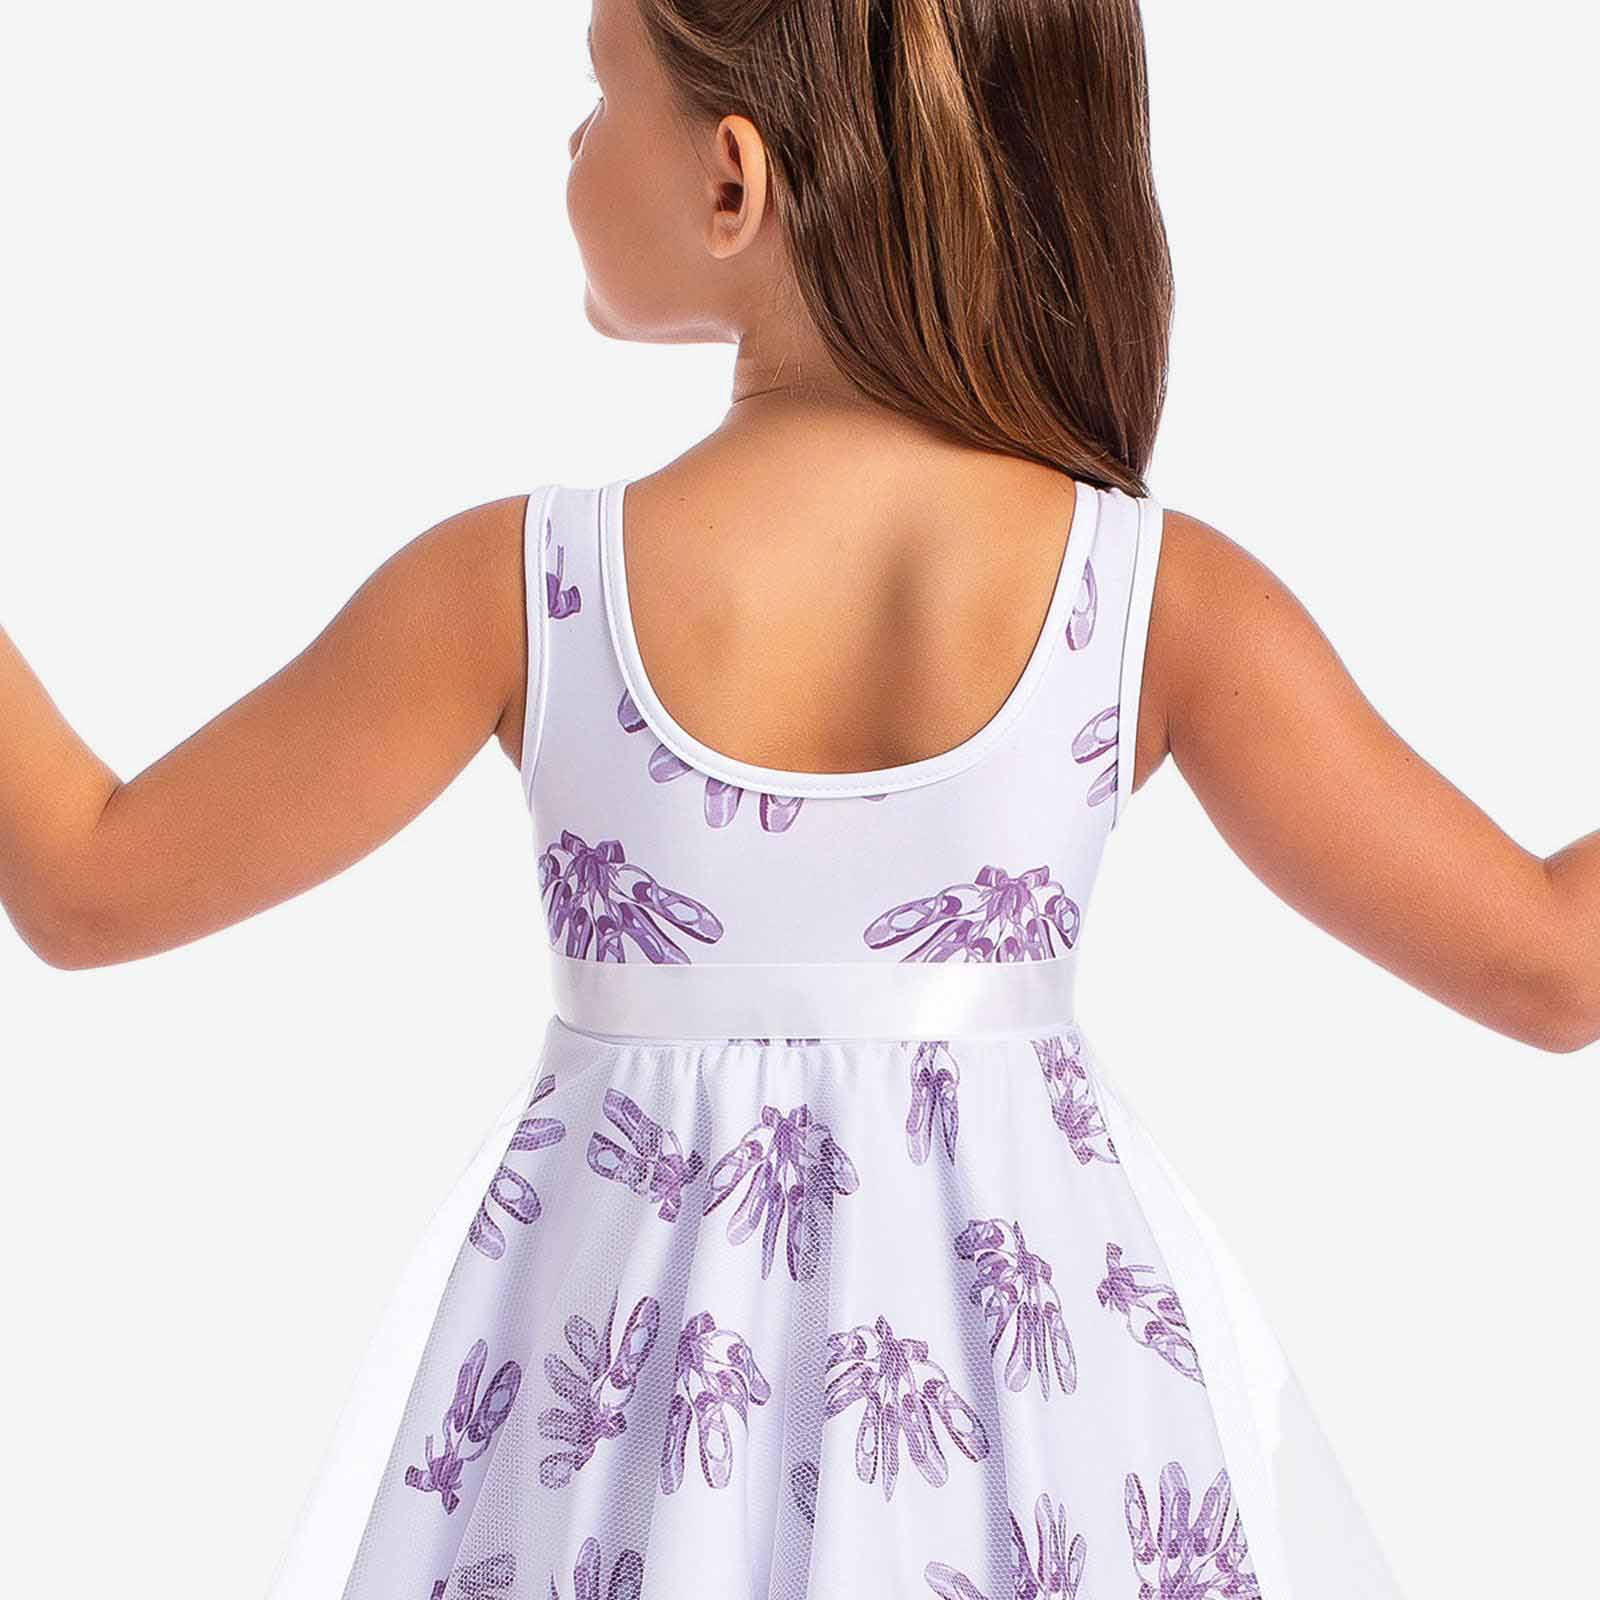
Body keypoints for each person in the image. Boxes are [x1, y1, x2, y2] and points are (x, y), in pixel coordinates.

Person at [2, 1, 1590, 1596]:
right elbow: (1555, 964)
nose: (572, 138)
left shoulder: (519, 593)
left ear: (732, 184)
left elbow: (84, 880)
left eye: (599, 89)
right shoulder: (1156, 601)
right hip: (1033, 1448)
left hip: (613, 1461)